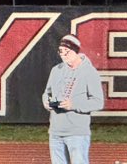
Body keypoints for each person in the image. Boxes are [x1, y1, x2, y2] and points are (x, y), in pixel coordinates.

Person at [43, 33, 104, 164]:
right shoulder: (56, 70)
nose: (63, 54)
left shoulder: (89, 72)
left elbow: (98, 102)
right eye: (60, 51)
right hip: (55, 131)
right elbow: (47, 93)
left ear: (75, 51)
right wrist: (46, 101)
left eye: (67, 51)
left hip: (77, 132)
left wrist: (73, 104)